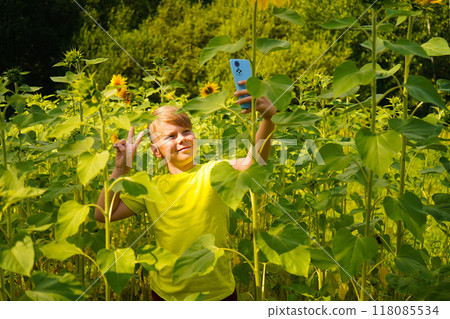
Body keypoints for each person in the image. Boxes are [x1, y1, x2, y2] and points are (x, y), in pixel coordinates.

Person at [95, 80, 276, 300]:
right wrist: (120, 169)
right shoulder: (151, 188)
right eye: (171, 136)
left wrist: (267, 120)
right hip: (167, 295)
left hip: (217, 293)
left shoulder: (213, 171)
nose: (182, 139)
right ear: (156, 151)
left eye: (186, 131)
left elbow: (253, 162)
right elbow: (104, 213)